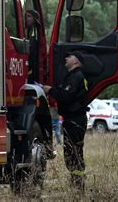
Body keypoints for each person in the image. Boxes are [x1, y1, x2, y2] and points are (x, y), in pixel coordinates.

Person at [43, 50, 89, 190]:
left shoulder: (76, 77)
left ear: (76, 61)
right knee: (73, 150)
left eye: (70, 56)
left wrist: (49, 90)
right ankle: (77, 182)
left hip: (74, 120)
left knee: (73, 151)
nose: (66, 58)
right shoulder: (74, 76)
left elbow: (65, 95)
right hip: (75, 119)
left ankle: (77, 184)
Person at [25, 10, 40, 84]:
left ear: (34, 18)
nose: (27, 19)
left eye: (29, 16)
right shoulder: (28, 30)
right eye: (26, 16)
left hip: (32, 67)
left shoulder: (35, 30)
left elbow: (32, 49)